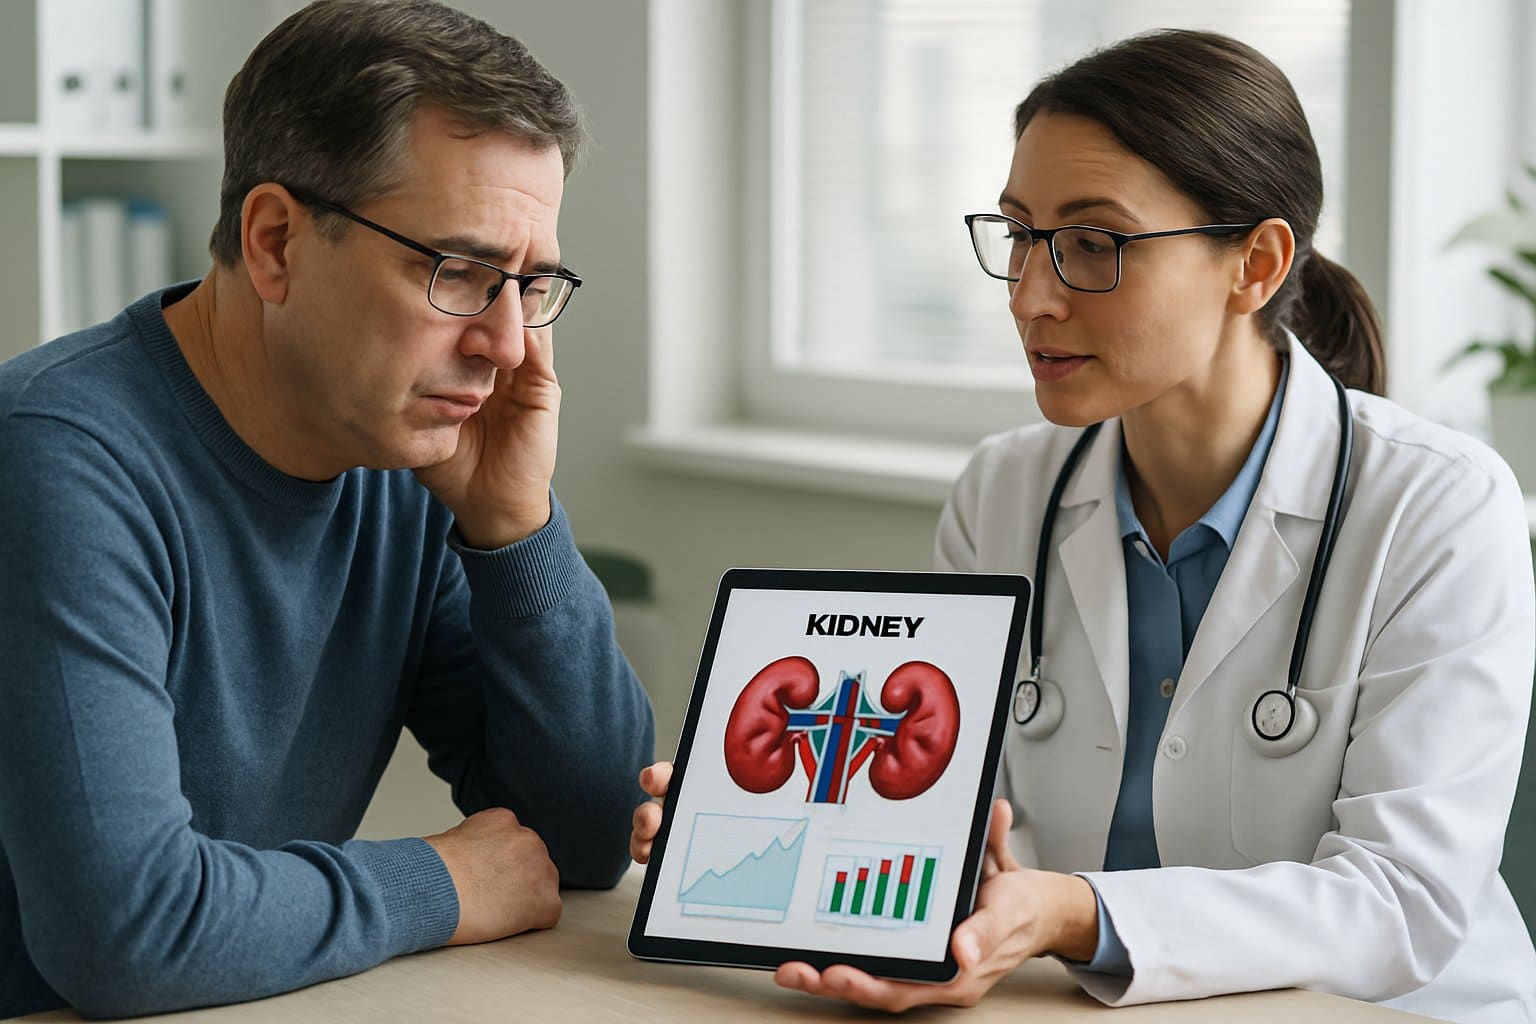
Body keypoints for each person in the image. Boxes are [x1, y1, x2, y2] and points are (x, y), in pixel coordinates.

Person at [632, 29, 1535, 1022]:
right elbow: (977, 828)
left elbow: (1400, 904)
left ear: (1257, 264)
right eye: (1022, 234)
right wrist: (796, 820)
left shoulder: (1439, 506)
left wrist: (1074, 910)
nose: (1031, 295)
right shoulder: (1005, 488)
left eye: (1094, 244)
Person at [0, 1, 654, 1017]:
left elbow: (580, 838)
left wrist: (514, 530)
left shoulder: (399, 459)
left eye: (529, 284)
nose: (509, 345)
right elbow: (122, 931)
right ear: (274, 243)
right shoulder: (54, 457)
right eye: (458, 271)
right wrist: (441, 880)